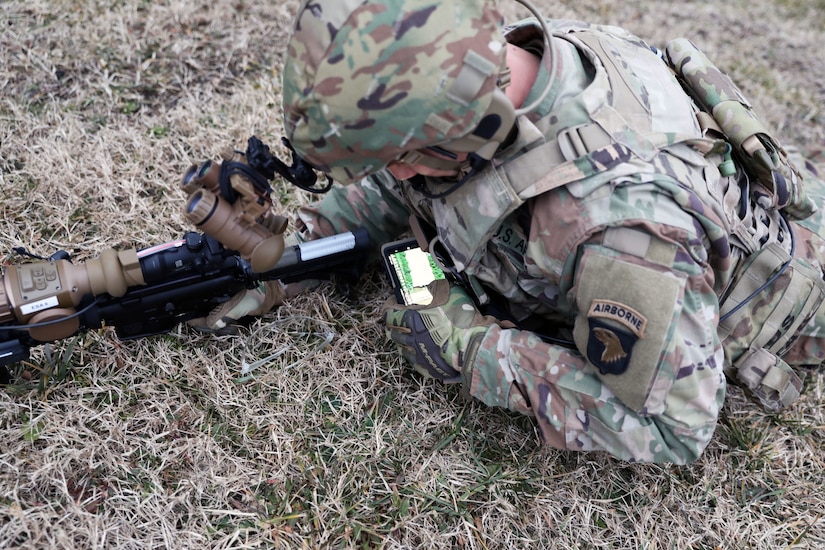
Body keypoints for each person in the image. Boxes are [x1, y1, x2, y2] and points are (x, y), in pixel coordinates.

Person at [193, 0, 825, 464]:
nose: (396, 176)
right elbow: (404, 182)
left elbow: (672, 427)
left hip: (771, 306)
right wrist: (297, 247)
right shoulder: (506, 61)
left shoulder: (618, 226)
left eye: (401, 157)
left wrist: (473, 348)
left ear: (467, 123)